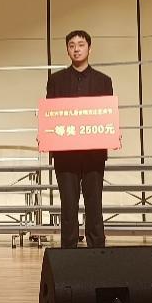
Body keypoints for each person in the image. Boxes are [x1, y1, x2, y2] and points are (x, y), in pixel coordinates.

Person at [46, 30, 113, 249]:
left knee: (94, 205)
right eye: (72, 45)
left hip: (94, 153)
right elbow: (50, 114)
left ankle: (97, 250)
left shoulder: (103, 81)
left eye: (81, 44)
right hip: (65, 155)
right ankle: (68, 253)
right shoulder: (56, 80)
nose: (76, 49)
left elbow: (108, 114)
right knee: (68, 206)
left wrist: (113, 132)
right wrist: (45, 133)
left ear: (89, 49)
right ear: (67, 50)